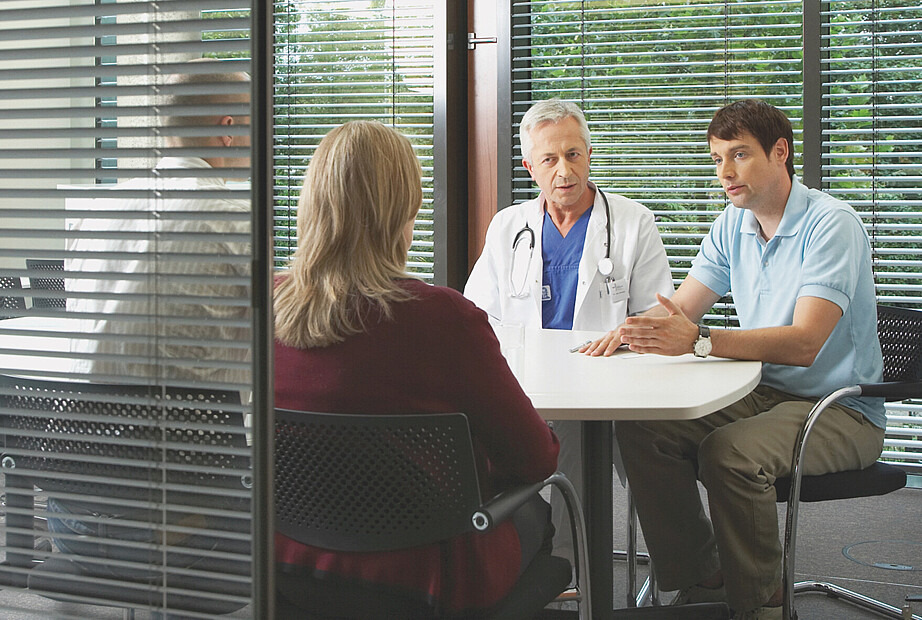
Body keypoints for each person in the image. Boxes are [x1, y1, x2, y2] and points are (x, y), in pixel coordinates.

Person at [585, 99, 885, 620]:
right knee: (641, 427)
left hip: (839, 409)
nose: (725, 172)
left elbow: (804, 342)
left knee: (730, 453)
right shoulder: (733, 223)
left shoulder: (831, 224)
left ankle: (763, 602)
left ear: (780, 152)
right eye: (718, 158)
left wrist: (699, 340)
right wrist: (630, 332)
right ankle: (704, 578)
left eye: (740, 155)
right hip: (764, 395)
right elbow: (680, 308)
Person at [273, 120, 560, 616]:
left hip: (291, 567)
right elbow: (535, 460)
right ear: (402, 210)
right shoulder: (441, 316)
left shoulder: (270, 304)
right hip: (426, 578)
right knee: (538, 509)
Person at [48, 61, 253, 611]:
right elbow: (285, 340)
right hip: (182, 526)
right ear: (229, 127)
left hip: (71, 513)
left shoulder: (97, 209)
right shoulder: (231, 213)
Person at [463, 98, 673, 556]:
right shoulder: (507, 227)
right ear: (529, 167)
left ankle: (562, 573)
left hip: (608, 385)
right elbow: (478, 317)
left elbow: (659, 317)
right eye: (549, 159)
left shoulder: (634, 222)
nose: (564, 170)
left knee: (574, 435)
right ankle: (526, 563)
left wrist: (626, 339)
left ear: (589, 154)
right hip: (527, 387)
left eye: (574, 154)